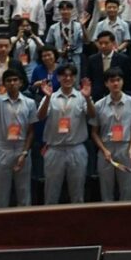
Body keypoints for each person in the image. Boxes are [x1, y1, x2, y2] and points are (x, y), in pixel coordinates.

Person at [0, 62, 36, 208]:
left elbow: (31, 131)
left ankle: (25, 227)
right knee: (2, 193)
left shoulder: (29, 103)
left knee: (24, 192)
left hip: (21, 148)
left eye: (15, 80)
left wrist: (25, 152)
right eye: (8, 81)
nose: (12, 83)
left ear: (21, 82)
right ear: (4, 83)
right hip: (3, 148)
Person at [37, 63, 95, 204]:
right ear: (58, 77)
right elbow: (40, 116)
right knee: (51, 193)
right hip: (54, 149)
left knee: (77, 193)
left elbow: (92, 115)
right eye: (64, 75)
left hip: (76, 148)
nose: (67, 78)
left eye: (71, 75)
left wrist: (88, 98)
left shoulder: (82, 97)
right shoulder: (50, 97)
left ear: (75, 78)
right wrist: (48, 98)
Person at [89, 68, 131, 202]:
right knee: (106, 189)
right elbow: (94, 132)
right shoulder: (99, 104)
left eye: (118, 80)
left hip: (125, 148)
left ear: (123, 82)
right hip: (106, 149)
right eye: (112, 81)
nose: (115, 84)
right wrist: (104, 150)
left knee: (126, 189)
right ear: (106, 84)